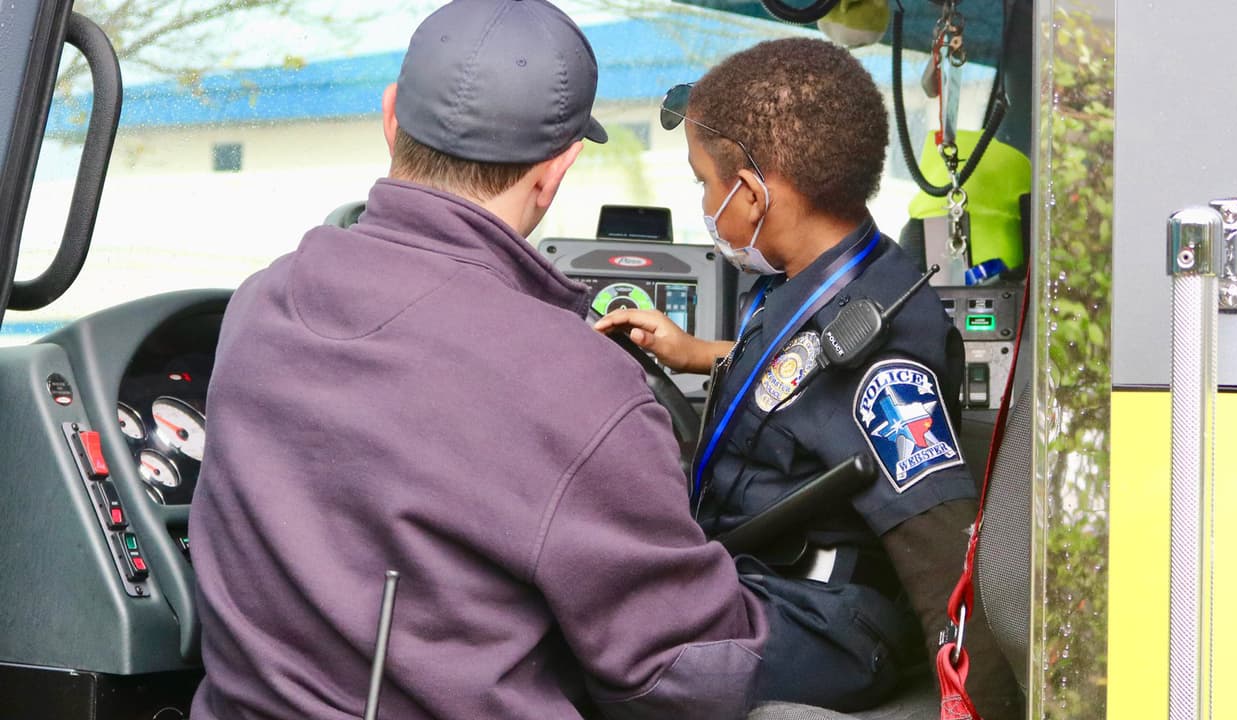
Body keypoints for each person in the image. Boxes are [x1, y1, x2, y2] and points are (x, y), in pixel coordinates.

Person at [187, 2, 768, 718]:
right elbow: (695, 677)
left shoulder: (256, 304)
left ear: (392, 117)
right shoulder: (582, 385)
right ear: (557, 169)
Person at [595, 38, 1022, 718]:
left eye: (705, 181)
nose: (705, 201)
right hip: (763, 585)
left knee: (601, 654)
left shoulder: (879, 352)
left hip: (826, 621)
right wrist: (698, 352)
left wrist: (975, 706)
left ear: (757, 194)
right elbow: (795, 379)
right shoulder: (820, 283)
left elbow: (941, 546)